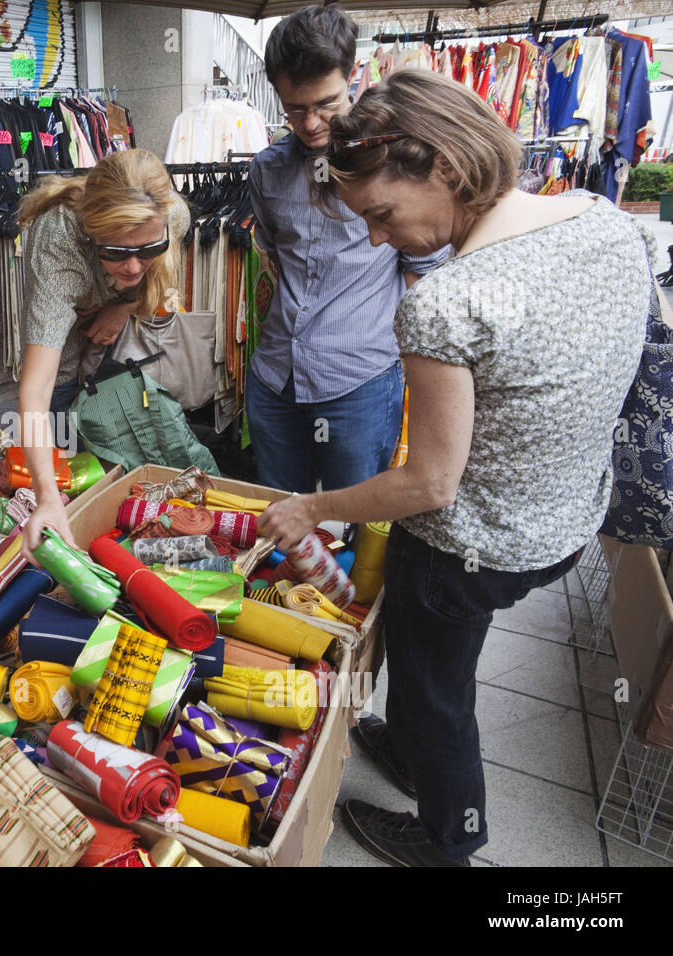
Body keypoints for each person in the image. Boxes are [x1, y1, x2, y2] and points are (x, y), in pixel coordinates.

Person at [257, 68, 661, 866]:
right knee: (426, 657)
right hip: (570, 517)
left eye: (381, 214)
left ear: (441, 166)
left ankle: (448, 838)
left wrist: (311, 507)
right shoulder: (608, 224)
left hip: (473, 546)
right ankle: (406, 748)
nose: (376, 238)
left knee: (442, 690)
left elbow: (429, 484)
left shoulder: (449, 300)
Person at [247, 4, 448, 494]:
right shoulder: (267, 171)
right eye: (294, 108)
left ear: (353, 77)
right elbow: (273, 254)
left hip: (358, 382)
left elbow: (423, 270)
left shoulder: (396, 162)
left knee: (353, 520)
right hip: (276, 379)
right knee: (280, 518)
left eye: (326, 103)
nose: (311, 122)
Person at [16, 148, 190, 557]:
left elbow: (154, 279)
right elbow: (36, 388)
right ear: (92, 234)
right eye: (115, 252)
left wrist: (123, 307)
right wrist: (45, 496)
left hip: (113, 339)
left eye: (148, 250)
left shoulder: (173, 214)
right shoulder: (59, 240)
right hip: (63, 337)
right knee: (62, 430)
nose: (133, 268)